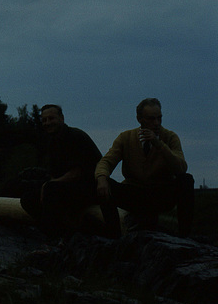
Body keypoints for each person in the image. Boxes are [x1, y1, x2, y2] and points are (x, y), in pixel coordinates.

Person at [95, 98, 194, 237]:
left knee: (187, 180)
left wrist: (159, 144)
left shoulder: (170, 137)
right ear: (139, 119)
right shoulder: (126, 137)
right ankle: (114, 237)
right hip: (134, 192)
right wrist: (101, 178)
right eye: (151, 119)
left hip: (160, 192)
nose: (156, 123)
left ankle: (185, 235)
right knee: (103, 183)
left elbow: (181, 168)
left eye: (159, 118)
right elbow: (106, 161)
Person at [20, 104, 102, 236]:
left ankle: (51, 237)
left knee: (51, 191)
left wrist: (49, 185)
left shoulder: (75, 137)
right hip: (69, 187)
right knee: (27, 197)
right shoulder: (53, 142)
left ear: (62, 118)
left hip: (91, 187)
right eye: (44, 120)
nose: (48, 123)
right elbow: (55, 174)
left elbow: (76, 174)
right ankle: (63, 230)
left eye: (51, 118)